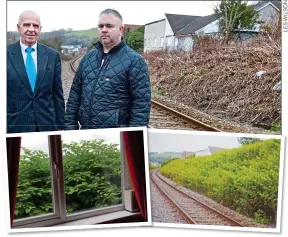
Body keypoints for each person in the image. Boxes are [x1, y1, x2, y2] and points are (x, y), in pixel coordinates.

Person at [65, 9, 151, 130]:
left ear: (121, 29)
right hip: (85, 132)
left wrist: (133, 139)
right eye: (101, 26)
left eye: (109, 26)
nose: (104, 29)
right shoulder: (88, 58)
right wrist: (70, 128)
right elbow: (74, 96)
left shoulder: (135, 61)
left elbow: (141, 106)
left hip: (116, 137)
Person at [7, 10, 65, 133]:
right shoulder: (5, 54)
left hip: (47, 124)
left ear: (40, 29)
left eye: (36, 26)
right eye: (27, 25)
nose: (31, 29)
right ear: (18, 28)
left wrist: (61, 125)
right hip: (15, 125)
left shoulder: (52, 56)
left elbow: (57, 94)